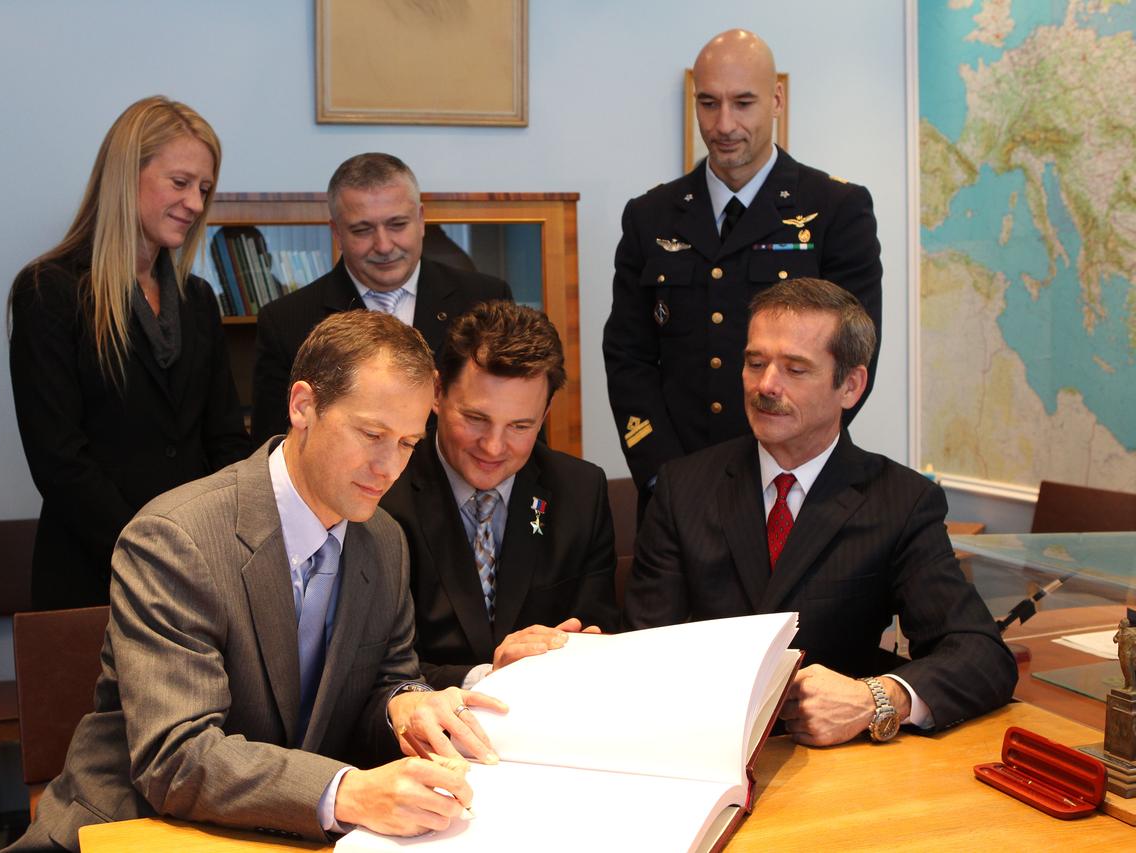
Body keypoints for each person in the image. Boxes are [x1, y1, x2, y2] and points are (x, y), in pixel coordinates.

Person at [6, 311, 508, 851]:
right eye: (371, 434)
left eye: (408, 443)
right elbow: (175, 757)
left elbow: (385, 679)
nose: (389, 468)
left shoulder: (384, 540)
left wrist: (403, 706)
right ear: (302, 406)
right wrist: (347, 793)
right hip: (133, 826)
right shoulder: (175, 539)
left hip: (280, 832)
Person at [624, 278, 1016, 746]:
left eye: (795, 369)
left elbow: (981, 654)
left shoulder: (899, 500)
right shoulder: (683, 486)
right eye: (755, 363)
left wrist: (877, 698)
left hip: (838, 766)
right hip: (699, 748)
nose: (765, 385)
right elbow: (640, 651)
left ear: (850, 385)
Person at [603, 29, 882, 509]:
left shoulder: (836, 208)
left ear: (777, 100)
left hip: (795, 489)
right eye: (708, 103)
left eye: (743, 103)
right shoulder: (650, 215)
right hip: (675, 488)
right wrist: (662, 476)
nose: (724, 123)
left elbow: (854, 360)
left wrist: (785, 468)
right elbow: (628, 358)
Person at [8, 96, 251, 610]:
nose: (195, 202)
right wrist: (149, 551)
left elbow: (225, 440)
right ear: (126, 175)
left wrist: (220, 544)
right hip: (93, 575)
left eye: (204, 188)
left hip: (198, 572)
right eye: (180, 182)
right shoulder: (48, 291)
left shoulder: (199, 299)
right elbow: (59, 460)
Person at [380, 301, 620, 689]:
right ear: (437, 393)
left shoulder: (581, 491)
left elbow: (597, 632)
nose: (493, 448)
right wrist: (486, 677)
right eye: (476, 419)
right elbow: (376, 673)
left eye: (520, 426)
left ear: (544, 414)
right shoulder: (383, 492)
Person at [251, 152, 512, 444]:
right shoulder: (286, 321)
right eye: (362, 230)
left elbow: (516, 416)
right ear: (336, 232)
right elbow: (276, 447)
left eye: (397, 225)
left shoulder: (485, 300)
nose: (384, 245)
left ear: (421, 219)